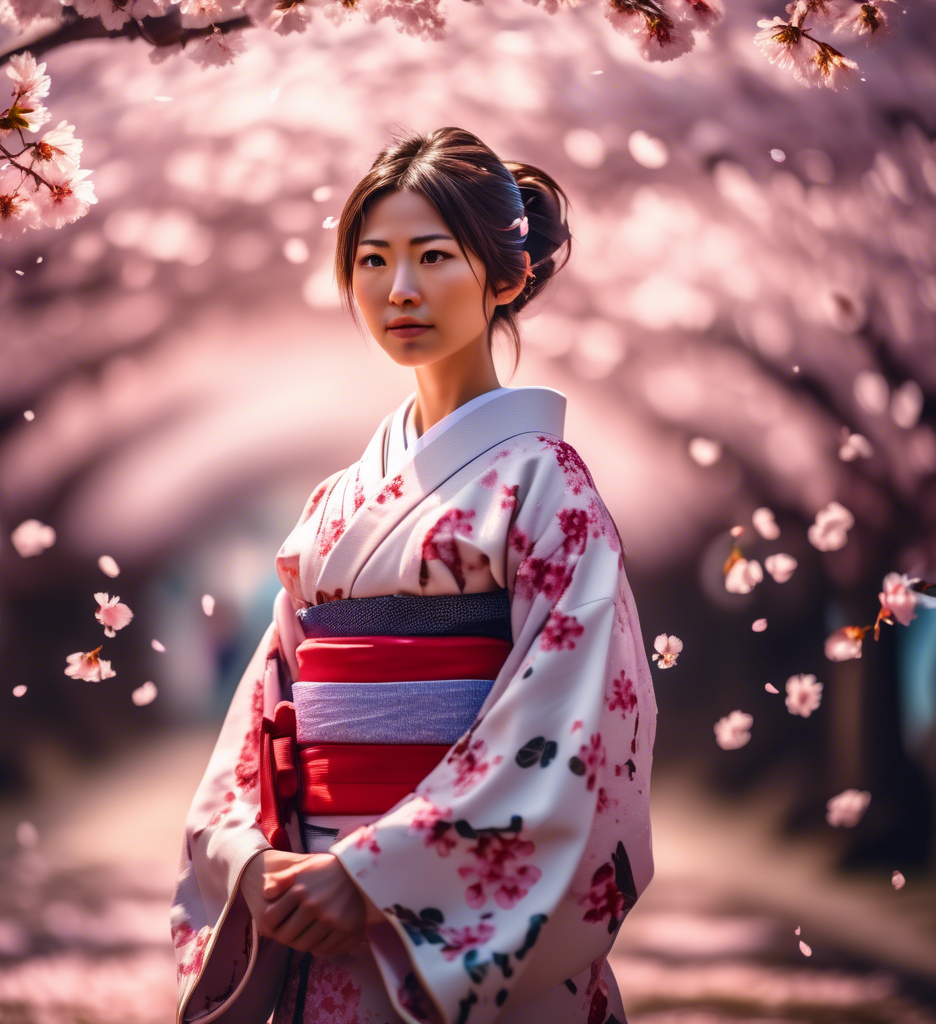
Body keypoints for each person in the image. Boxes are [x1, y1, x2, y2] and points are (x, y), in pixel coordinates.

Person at [170, 125, 657, 1024]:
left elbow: (567, 719)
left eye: (434, 256)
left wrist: (376, 871)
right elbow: (267, 705)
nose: (398, 290)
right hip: (312, 889)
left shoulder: (547, 487)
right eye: (371, 260)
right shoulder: (334, 502)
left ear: (505, 278)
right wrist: (254, 858)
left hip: (429, 900)